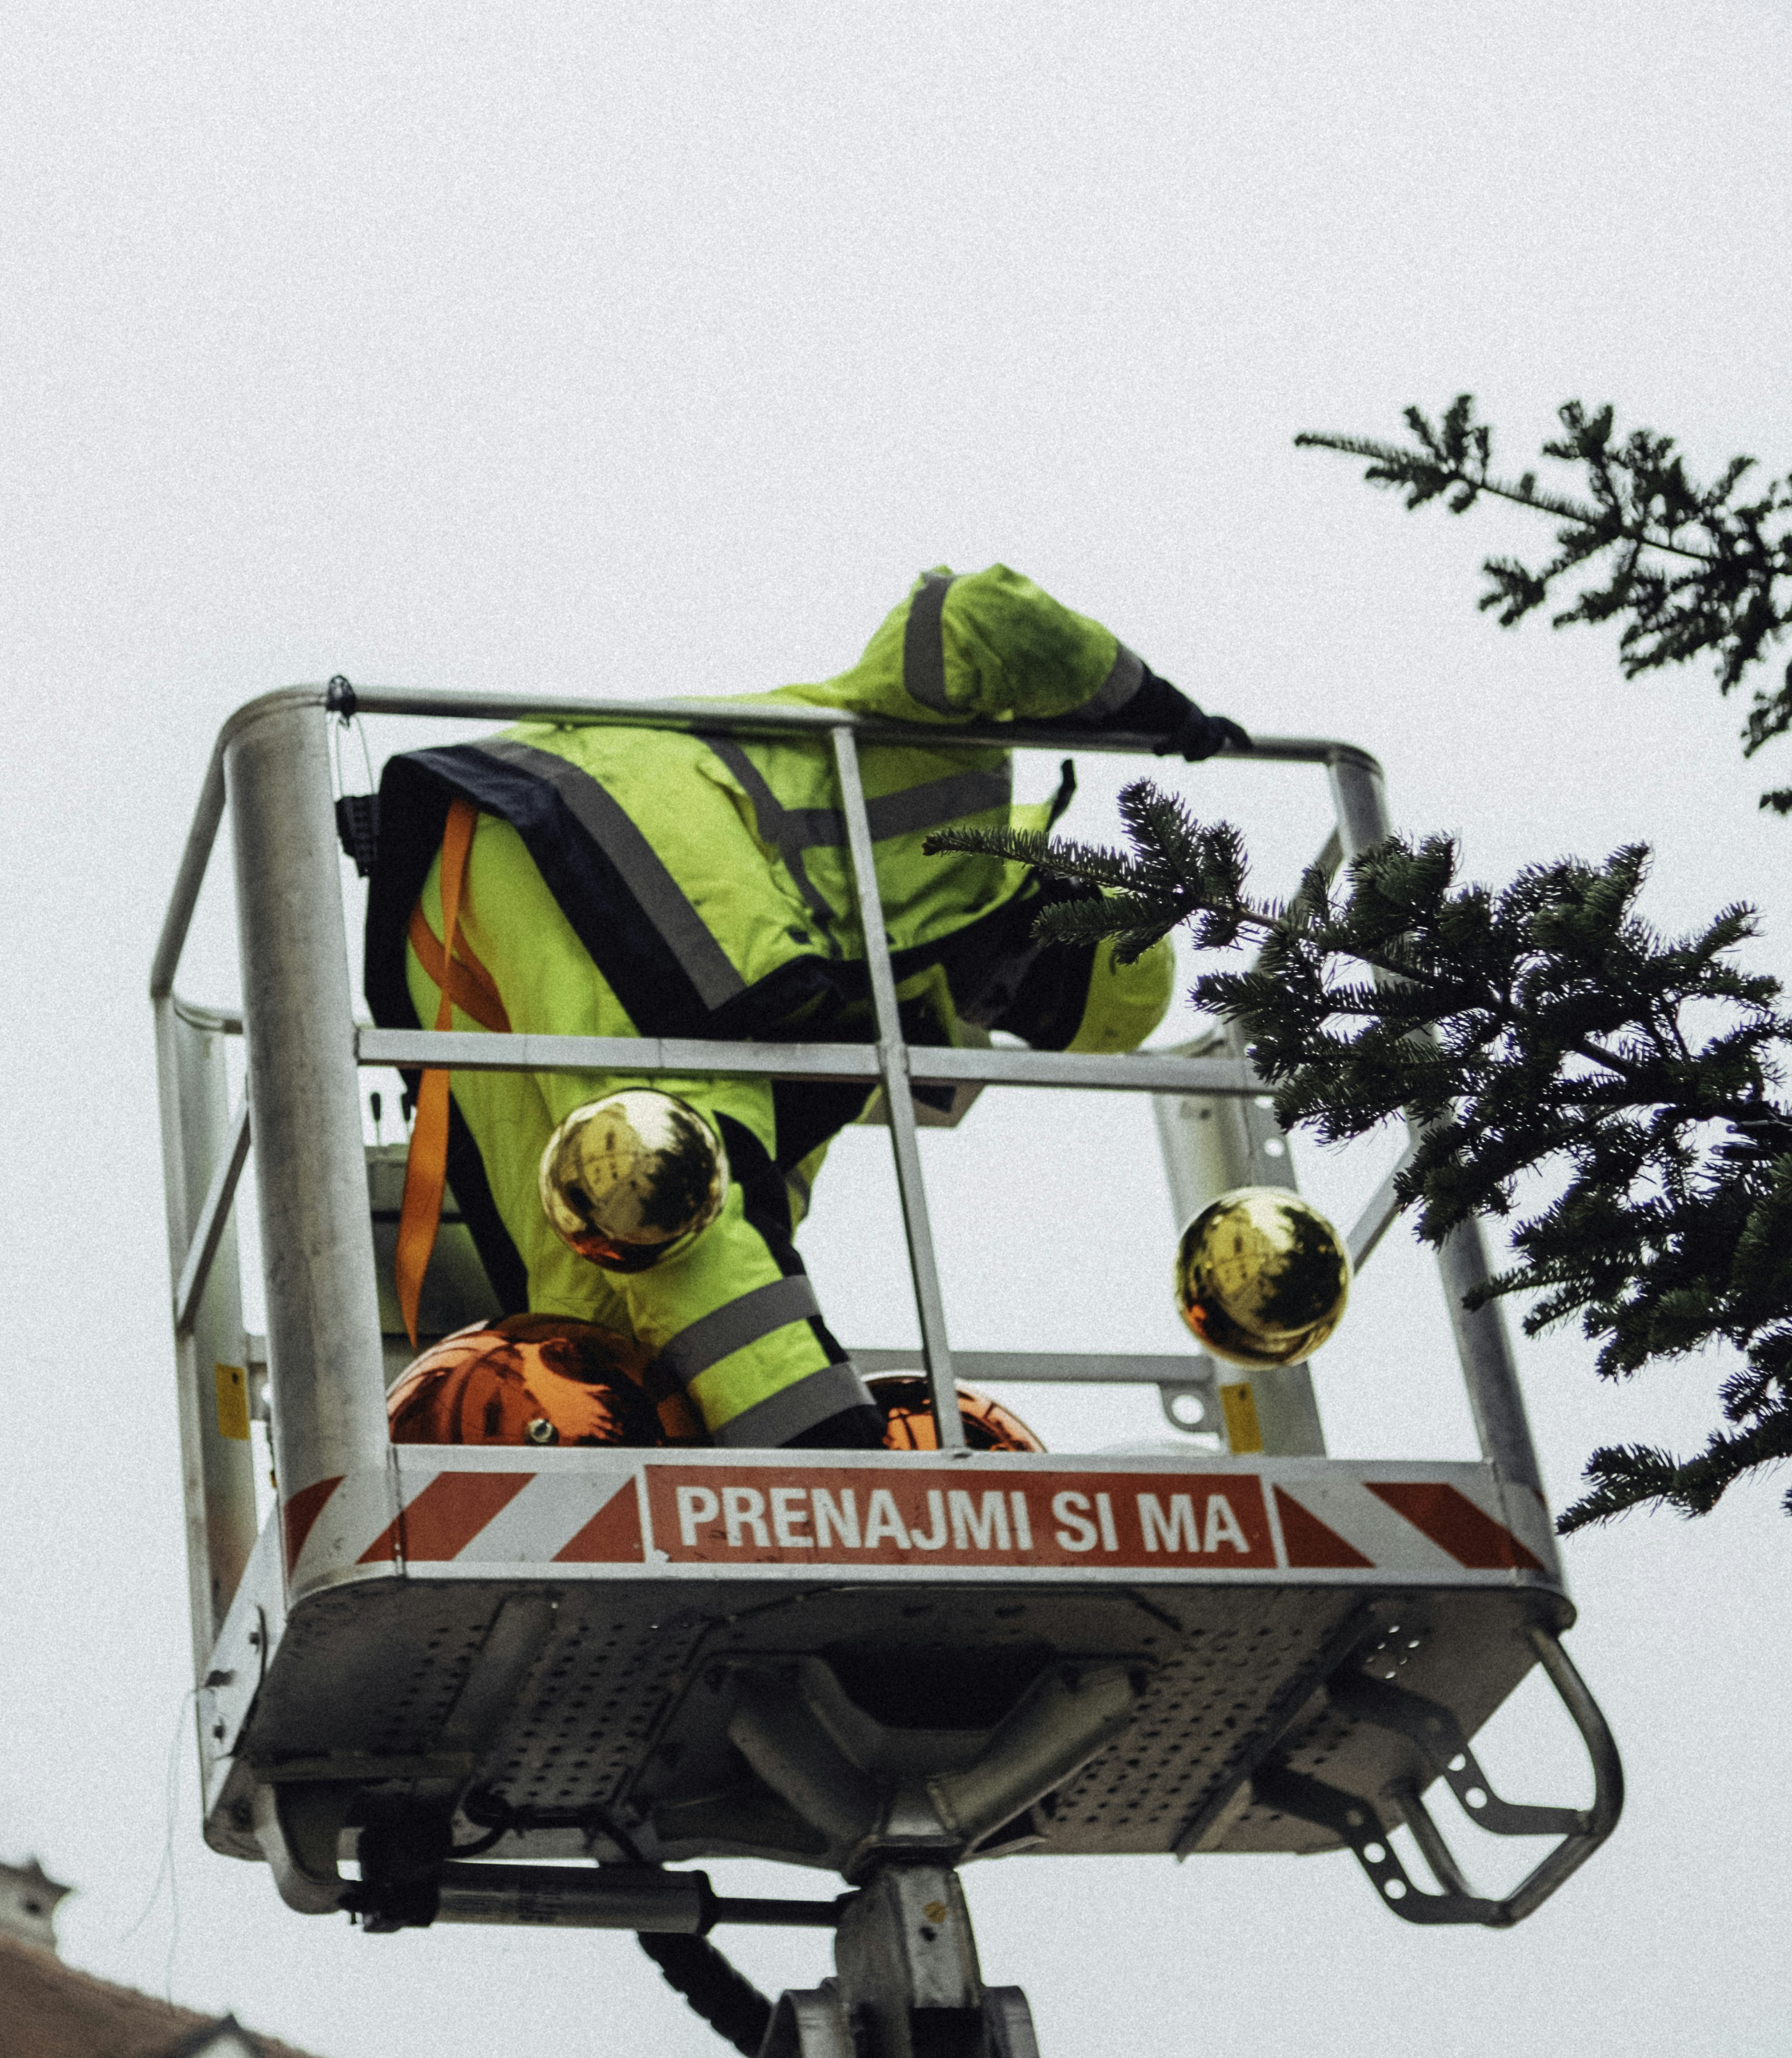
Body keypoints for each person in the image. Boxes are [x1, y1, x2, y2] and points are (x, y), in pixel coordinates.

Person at [361, 565, 1246, 1451]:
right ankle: (814, 1454)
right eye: (1034, 979)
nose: (994, 999)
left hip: (460, 898)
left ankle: (606, 1463)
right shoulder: (967, 783)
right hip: (620, 829)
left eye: (1020, 1017)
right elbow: (966, 616)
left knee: (583, 1272)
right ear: (1052, 901)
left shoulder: (874, 1014)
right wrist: (1142, 701)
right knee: (677, 1186)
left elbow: (775, 1193)